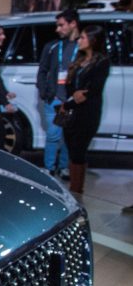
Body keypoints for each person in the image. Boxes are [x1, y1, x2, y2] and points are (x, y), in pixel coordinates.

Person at [59, 25, 110, 195]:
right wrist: (72, 97)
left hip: (87, 113)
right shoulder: (79, 60)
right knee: (71, 149)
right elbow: (70, 86)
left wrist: (73, 99)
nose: (78, 40)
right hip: (72, 111)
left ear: (93, 40)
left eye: (82, 37)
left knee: (78, 151)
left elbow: (92, 90)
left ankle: (76, 190)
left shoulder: (102, 62)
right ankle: (74, 188)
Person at [36, 8, 79, 179]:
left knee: (68, 137)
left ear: (73, 24)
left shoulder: (82, 47)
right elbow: (42, 71)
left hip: (71, 100)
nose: (57, 29)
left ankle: (64, 167)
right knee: (53, 135)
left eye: (61, 25)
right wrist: (45, 92)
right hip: (54, 98)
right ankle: (49, 168)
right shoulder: (52, 46)